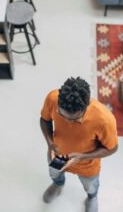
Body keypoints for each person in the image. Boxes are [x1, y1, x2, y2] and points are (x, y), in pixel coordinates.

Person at [40, 77, 118, 212]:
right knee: (55, 174)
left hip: (87, 165)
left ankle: (92, 198)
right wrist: (50, 143)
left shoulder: (105, 120)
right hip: (58, 156)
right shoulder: (52, 98)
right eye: (61, 115)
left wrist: (81, 157)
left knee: (91, 186)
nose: (67, 122)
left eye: (74, 119)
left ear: (86, 105)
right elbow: (44, 120)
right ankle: (58, 185)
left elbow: (112, 148)